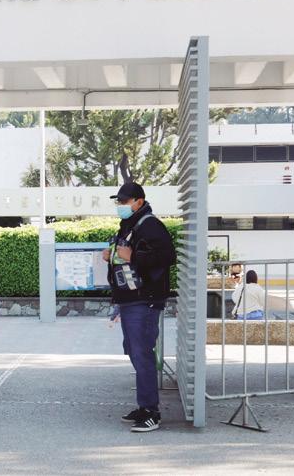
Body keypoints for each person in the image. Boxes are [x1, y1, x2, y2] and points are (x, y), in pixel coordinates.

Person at [101, 182, 177, 433]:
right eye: (119, 201)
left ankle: (151, 412)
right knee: (135, 352)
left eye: (124, 201)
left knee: (142, 353)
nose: (120, 205)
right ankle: (145, 407)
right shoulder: (130, 224)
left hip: (144, 300)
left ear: (139, 202)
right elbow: (126, 252)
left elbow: (167, 256)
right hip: (131, 300)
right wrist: (111, 253)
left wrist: (132, 257)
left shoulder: (150, 224)